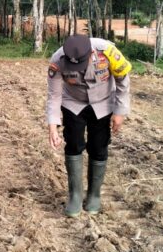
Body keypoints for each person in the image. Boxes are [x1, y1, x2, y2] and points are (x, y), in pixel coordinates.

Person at [46, 34, 132, 217]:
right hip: (73, 103)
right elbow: (54, 95)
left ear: (91, 53)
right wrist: (52, 127)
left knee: (98, 147)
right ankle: (75, 195)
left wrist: (119, 111)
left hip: (102, 102)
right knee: (74, 143)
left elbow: (123, 80)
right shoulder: (57, 60)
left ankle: (93, 194)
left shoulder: (106, 51)